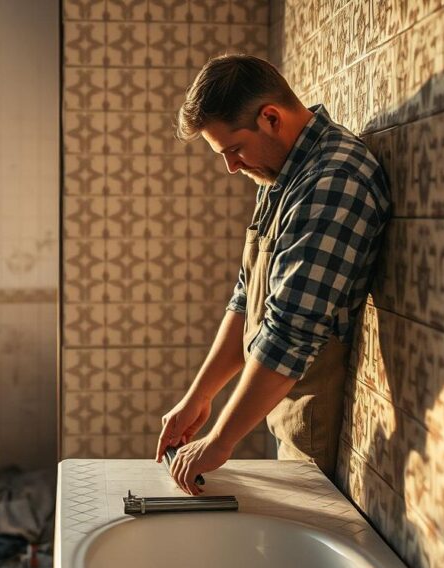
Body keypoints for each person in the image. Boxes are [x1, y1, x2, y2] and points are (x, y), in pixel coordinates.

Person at [155, 55, 390, 494]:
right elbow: (248, 297)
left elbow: (288, 333)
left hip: (323, 431)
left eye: (234, 149)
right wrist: (198, 397)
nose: (231, 167)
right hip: (286, 411)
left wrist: (221, 440)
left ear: (270, 117)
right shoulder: (283, 176)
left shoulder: (333, 180)